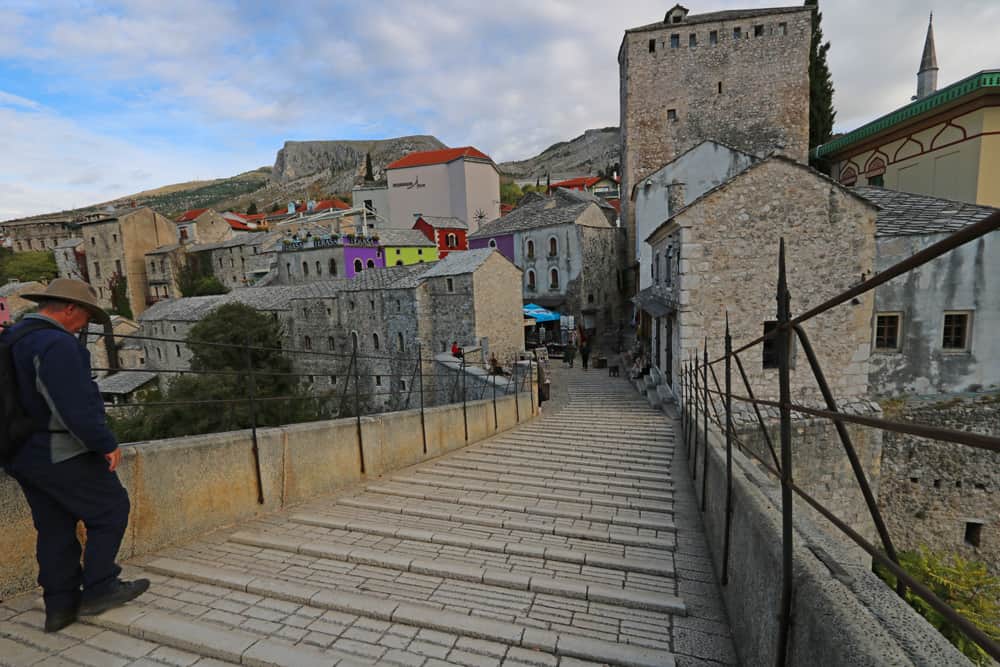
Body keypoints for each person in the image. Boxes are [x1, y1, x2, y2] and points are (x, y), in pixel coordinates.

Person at [1, 279, 149, 633]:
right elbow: (74, 406)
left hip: (18, 453)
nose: (84, 325)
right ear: (69, 309)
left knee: (54, 527)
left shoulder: (11, 338)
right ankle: (101, 587)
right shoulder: (57, 345)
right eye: (85, 316)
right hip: (58, 451)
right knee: (111, 508)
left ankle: (59, 607)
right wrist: (105, 443)